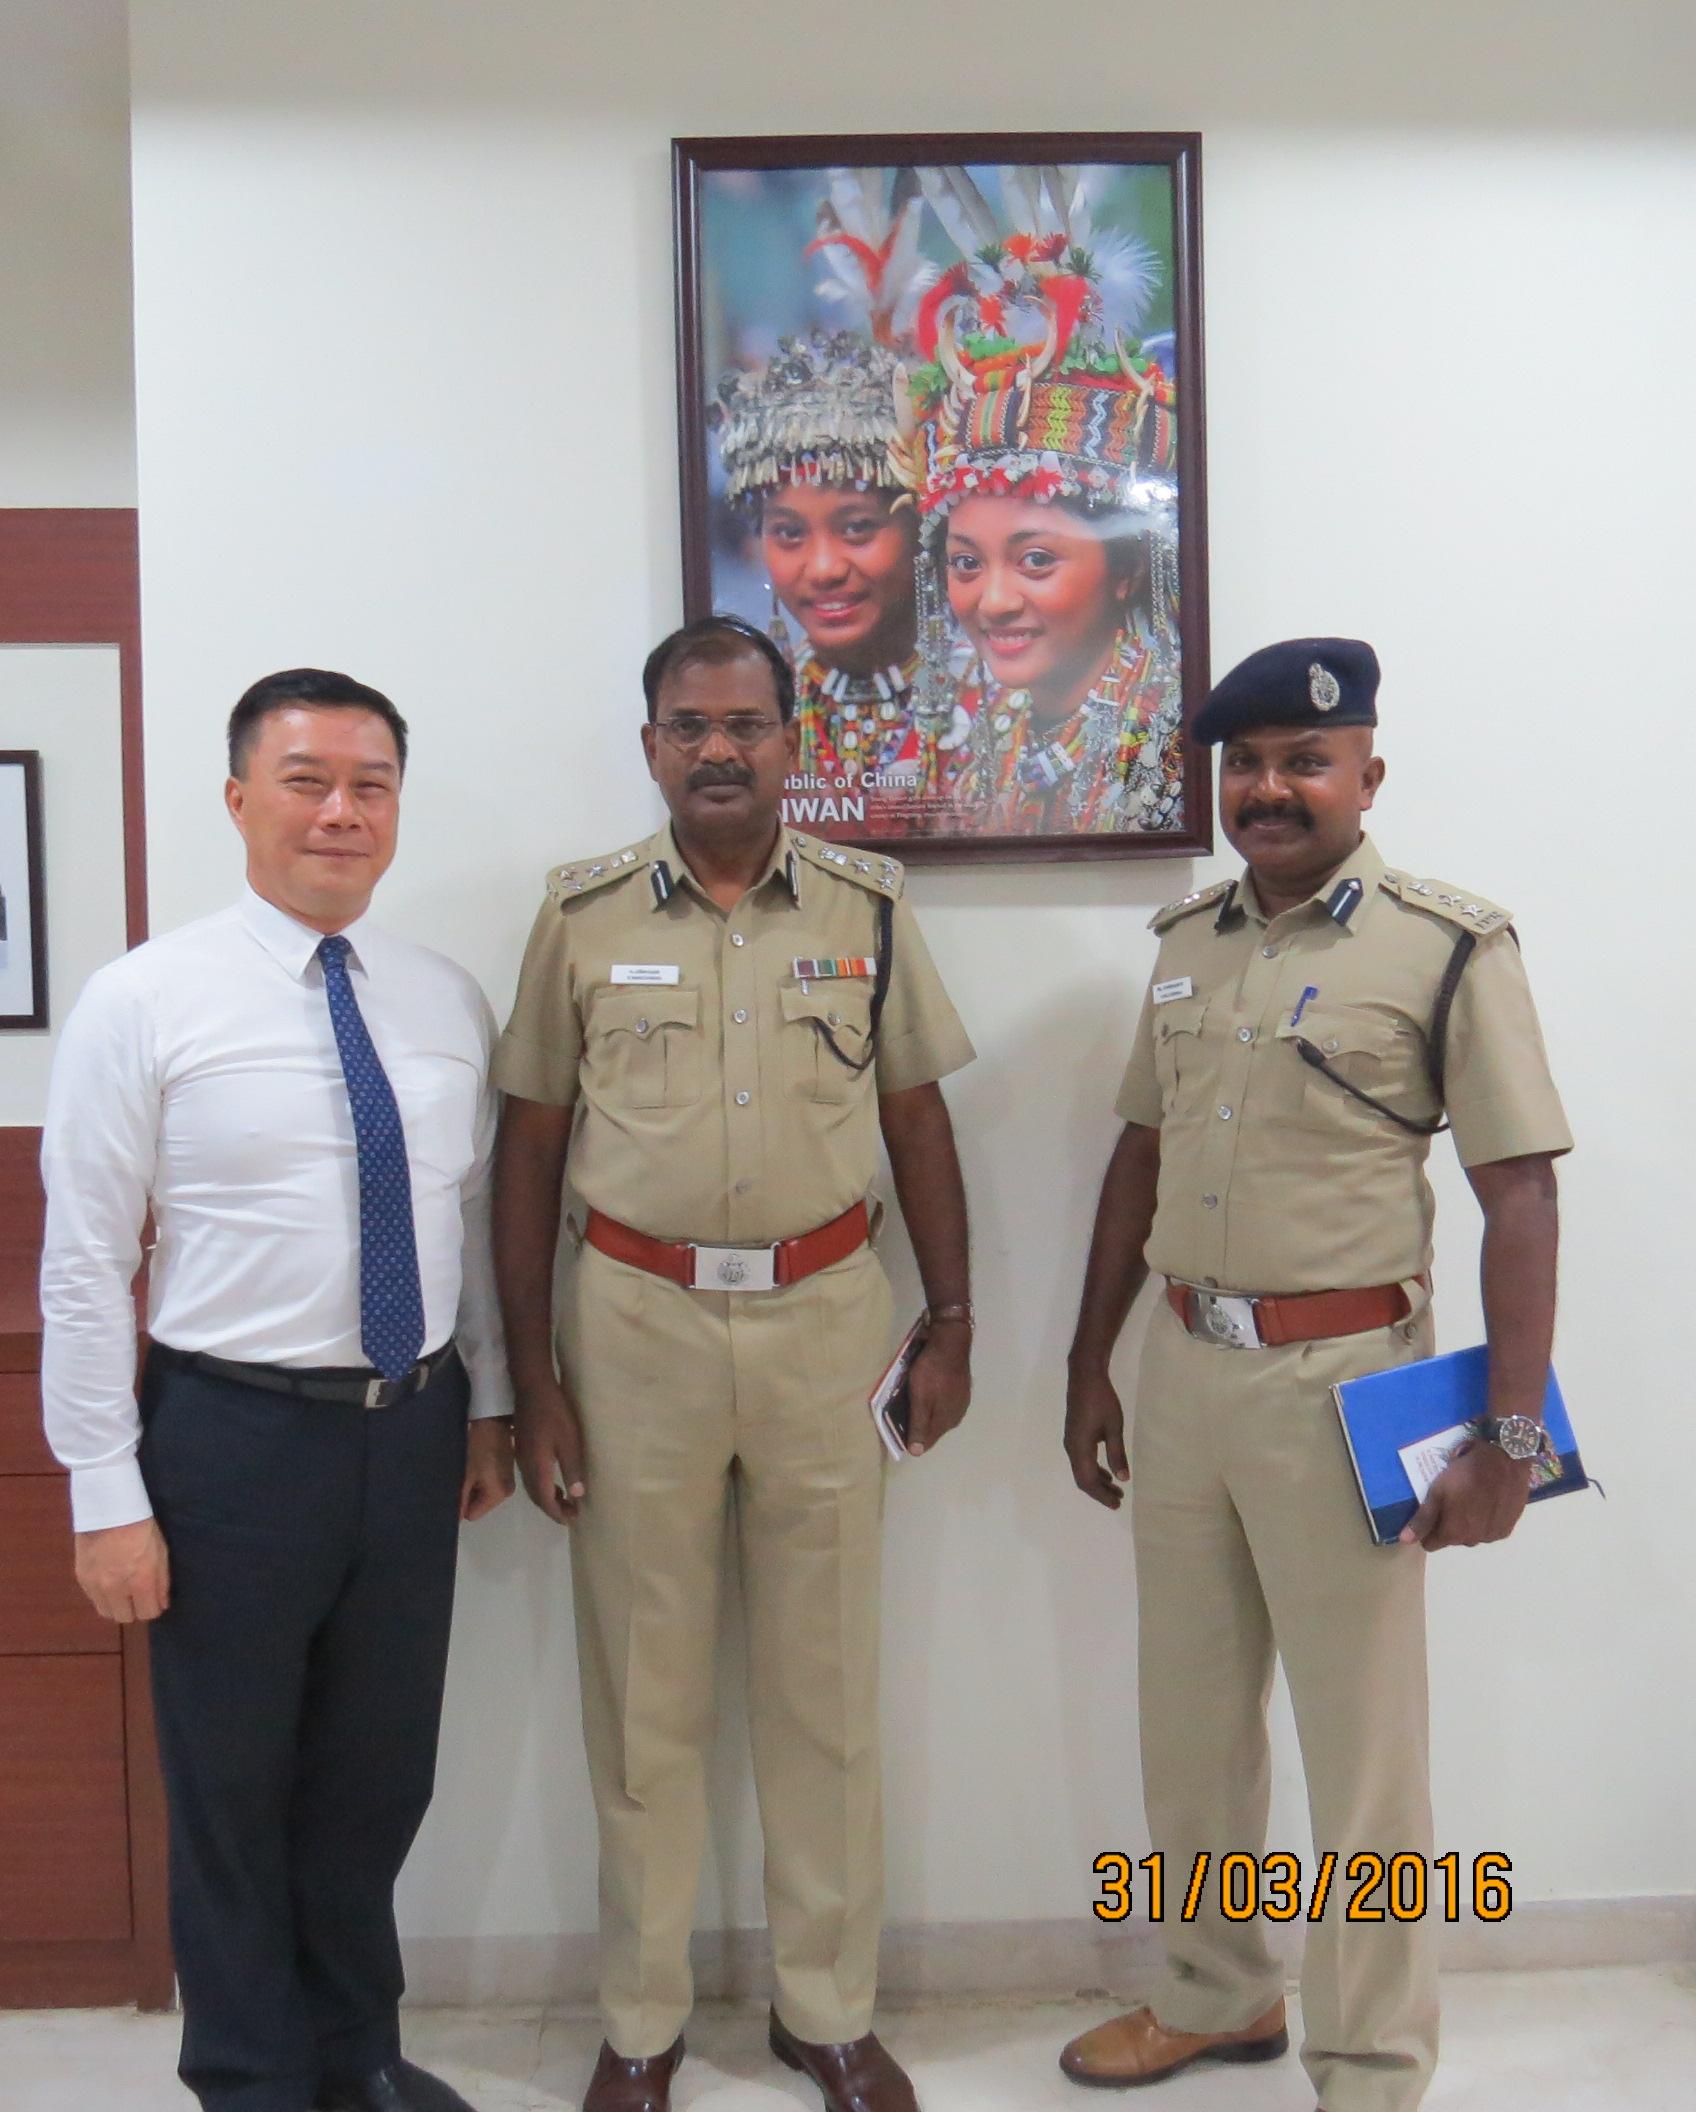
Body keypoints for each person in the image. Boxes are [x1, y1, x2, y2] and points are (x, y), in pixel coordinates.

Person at [1058, 639, 1571, 2112]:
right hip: (1188, 1377)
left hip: (1351, 1383)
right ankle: (1219, 1998)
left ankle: (1372, 2060)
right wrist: (1090, 1361)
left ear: (1368, 776)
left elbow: (1520, 1193)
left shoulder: (1449, 944)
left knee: (1363, 1763)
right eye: (1246, 763)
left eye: (1302, 761)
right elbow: (1137, 1160)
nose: (1269, 789)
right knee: (1193, 1732)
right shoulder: (1187, 943)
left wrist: (1510, 1435)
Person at [493, 614, 974, 2112]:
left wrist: (949, 1319)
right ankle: (639, 2023)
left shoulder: (869, 907)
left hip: (830, 1322)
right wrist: (536, 1380)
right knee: (644, 1699)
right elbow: (526, 1154)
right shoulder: (577, 918)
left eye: (746, 723)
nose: (717, 748)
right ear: (651, 747)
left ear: (791, 739)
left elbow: (915, 1123)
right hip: (630, 1335)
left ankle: (824, 2009)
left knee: (825, 1691)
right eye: (688, 725)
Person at [39, 669, 516, 2112]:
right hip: (231, 1438)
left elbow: (464, 1219)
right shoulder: (143, 998)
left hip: (411, 1428)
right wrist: (105, 1494)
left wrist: (483, 1402)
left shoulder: (442, 997)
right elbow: (80, 1265)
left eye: (370, 783)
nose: (340, 810)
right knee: (234, 1792)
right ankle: (250, 2077)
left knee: (378, 1778)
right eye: (307, 778)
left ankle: (353, 2051)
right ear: (239, 797)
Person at [890, 188, 1185, 837]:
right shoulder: (976, 728)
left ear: (1127, 567)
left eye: (1035, 560)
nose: (993, 601)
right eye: (965, 562)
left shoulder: (1162, 747)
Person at [711, 170, 968, 828]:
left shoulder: (1015, 705)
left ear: (923, 530)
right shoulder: (750, 731)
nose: (821, 567)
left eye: (856, 529)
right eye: (789, 535)